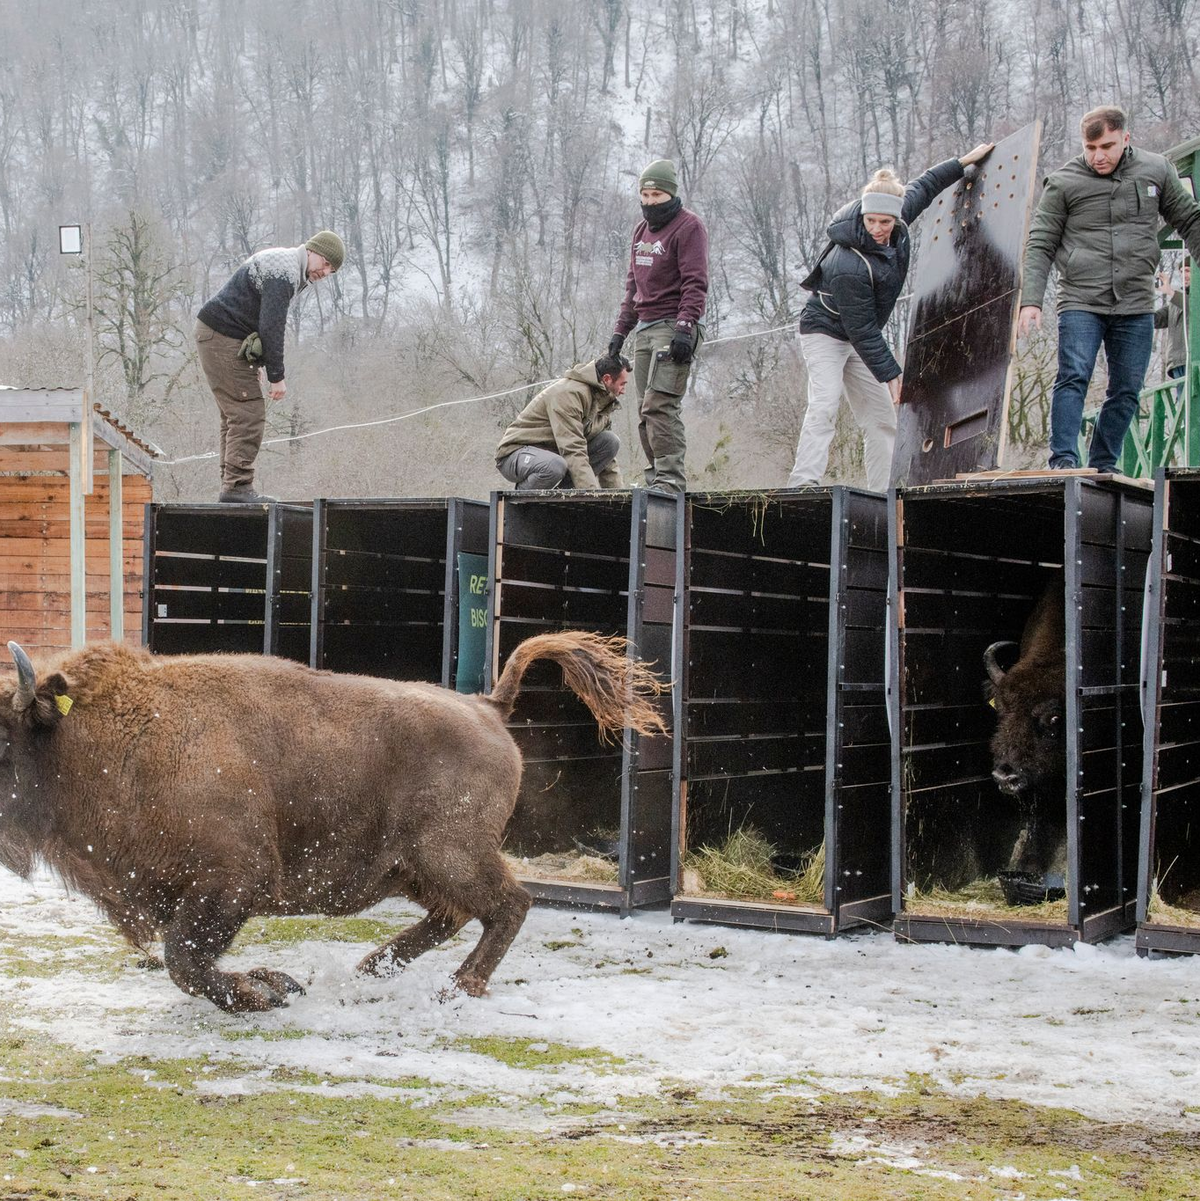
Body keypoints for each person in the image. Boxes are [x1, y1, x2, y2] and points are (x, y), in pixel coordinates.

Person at [786, 143, 994, 492]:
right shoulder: (847, 263)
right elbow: (863, 328)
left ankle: (884, 491)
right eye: (871, 221)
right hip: (825, 332)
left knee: (882, 418)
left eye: (885, 222)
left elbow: (925, 186)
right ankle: (803, 481)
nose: (878, 229)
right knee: (824, 404)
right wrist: (891, 373)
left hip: (858, 337)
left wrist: (961, 162)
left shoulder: (895, 221)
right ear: (863, 216)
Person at [1018, 106, 1200, 471]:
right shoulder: (1064, 182)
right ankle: (1065, 460)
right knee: (1074, 375)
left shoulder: (1156, 170)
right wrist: (1031, 300)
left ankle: (1104, 462)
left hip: (1135, 301)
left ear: (1125, 139)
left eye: (1106, 146)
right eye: (1090, 147)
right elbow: (1040, 243)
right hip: (1082, 299)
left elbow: (1189, 219)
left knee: (1127, 389)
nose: (1098, 156)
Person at [195, 231, 345, 502]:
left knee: (234, 414)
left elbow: (259, 319)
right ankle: (237, 488)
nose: (325, 272)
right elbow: (272, 327)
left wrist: (258, 361)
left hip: (219, 335)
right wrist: (277, 376)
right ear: (312, 250)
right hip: (222, 335)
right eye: (325, 264)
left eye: (331, 271)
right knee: (247, 411)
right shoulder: (285, 272)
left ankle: (231, 487)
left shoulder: (287, 264)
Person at [607, 159, 708, 494]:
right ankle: (655, 478)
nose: (650, 201)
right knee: (642, 409)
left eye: (657, 194)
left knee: (660, 404)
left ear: (671, 193)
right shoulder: (640, 231)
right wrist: (620, 332)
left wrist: (685, 326)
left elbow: (695, 282)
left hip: (673, 325)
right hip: (645, 328)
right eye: (645, 194)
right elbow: (632, 286)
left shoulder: (688, 226)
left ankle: (670, 480)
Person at [495, 353, 629, 490]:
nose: (623, 391)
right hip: (516, 453)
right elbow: (573, 447)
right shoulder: (569, 394)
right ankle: (521, 504)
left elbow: (608, 461)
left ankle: (565, 497)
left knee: (610, 441)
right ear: (607, 379)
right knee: (554, 466)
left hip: (555, 453)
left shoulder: (603, 402)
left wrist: (620, 502)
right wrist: (591, 494)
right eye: (622, 384)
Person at [1154, 261, 1190, 395]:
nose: (1183, 275)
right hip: (1178, 362)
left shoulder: (1182, 299)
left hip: (1193, 361)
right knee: (1183, 405)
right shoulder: (1175, 302)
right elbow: (1155, 320)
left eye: (1187, 270)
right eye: (1181, 272)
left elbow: (1192, 307)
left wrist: (1170, 291)